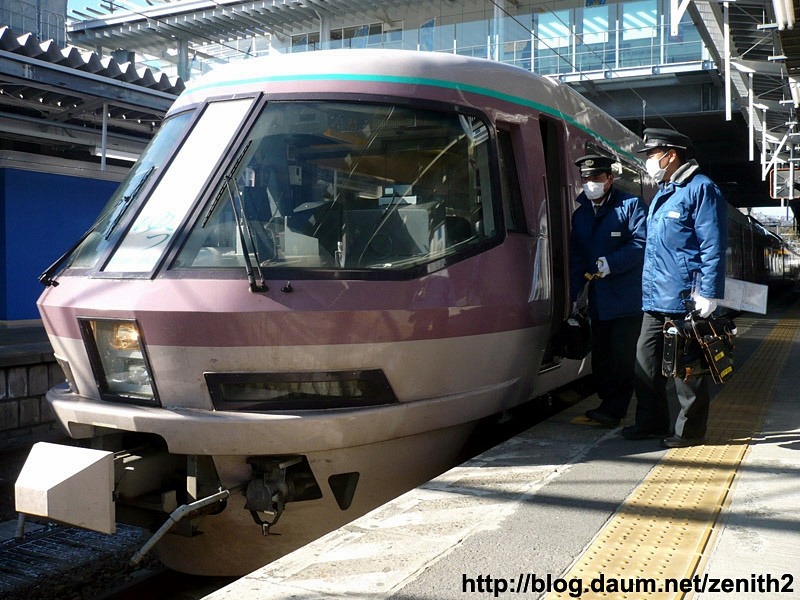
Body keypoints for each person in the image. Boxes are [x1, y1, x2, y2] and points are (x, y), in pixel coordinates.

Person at [622, 128, 727, 448]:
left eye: (652, 155)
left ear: (671, 155)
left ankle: (690, 432)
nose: (649, 162)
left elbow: (712, 245)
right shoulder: (663, 192)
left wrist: (709, 292)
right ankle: (651, 423)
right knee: (645, 362)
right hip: (655, 297)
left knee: (687, 370)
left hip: (686, 298)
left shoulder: (701, 188)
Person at [569, 154, 647, 428]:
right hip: (599, 301)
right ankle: (607, 403)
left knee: (621, 357)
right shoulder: (580, 215)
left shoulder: (631, 206)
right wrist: (573, 295)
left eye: (596, 178)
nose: (590, 183)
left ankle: (615, 409)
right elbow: (577, 258)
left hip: (627, 301)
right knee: (602, 357)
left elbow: (641, 243)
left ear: (610, 179)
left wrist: (612, 263)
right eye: (586, 179)